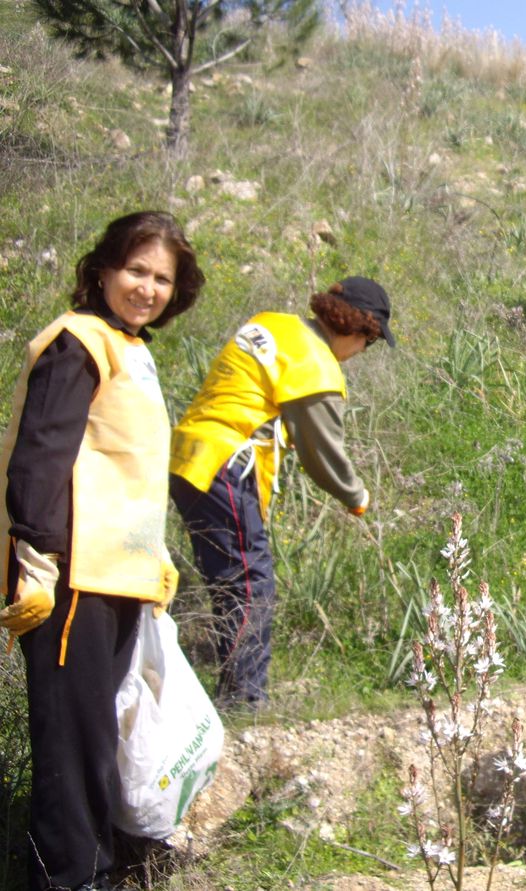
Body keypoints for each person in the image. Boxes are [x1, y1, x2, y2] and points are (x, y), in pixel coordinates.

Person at [0, 211, 205, 891]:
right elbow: (41, 456)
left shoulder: (131, 347)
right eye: (136, 270)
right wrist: (35, 557)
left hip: (118, 576)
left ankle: (99, 865)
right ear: (103, 270)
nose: (147, 287)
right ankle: (69, 877)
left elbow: (124, 467)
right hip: (70, 577)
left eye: (162, 278)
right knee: (68, 738)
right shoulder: (79, 342)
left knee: (98, 735)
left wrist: (156, 555)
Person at [168, 277, 394, 708]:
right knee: (250, 585)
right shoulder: (315, 366)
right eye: (372, 342)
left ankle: (226, 694)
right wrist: (356, 497)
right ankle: (244, 703)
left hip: (188, 458)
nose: (364, 353)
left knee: (229, 582)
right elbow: (321, 451)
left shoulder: (274, 324)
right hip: (224, 468)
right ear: (360, 329)